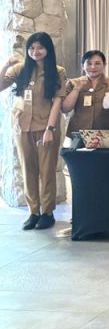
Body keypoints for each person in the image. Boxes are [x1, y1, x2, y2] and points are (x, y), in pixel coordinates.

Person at [0, 32, 68, 230]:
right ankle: (33, 212)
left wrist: (50, 129)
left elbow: (58, 101)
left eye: (40, 47)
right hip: (23, 127)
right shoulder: (20, 69)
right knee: (28, 169)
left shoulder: (58, 71)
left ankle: (47, 212)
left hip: (46, 127)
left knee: (47, 172)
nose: (35, 51)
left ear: (48, 49)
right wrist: (6, 65)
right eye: (31, 48)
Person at [62, 50, 109, 138]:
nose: (93, 67)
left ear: (104, 65)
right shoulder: (73, 83)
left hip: (106, 134)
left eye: (97, 63)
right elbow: (65, 108)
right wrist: (77, 89)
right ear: (83, 66)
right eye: (89, 63)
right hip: (78, 133)